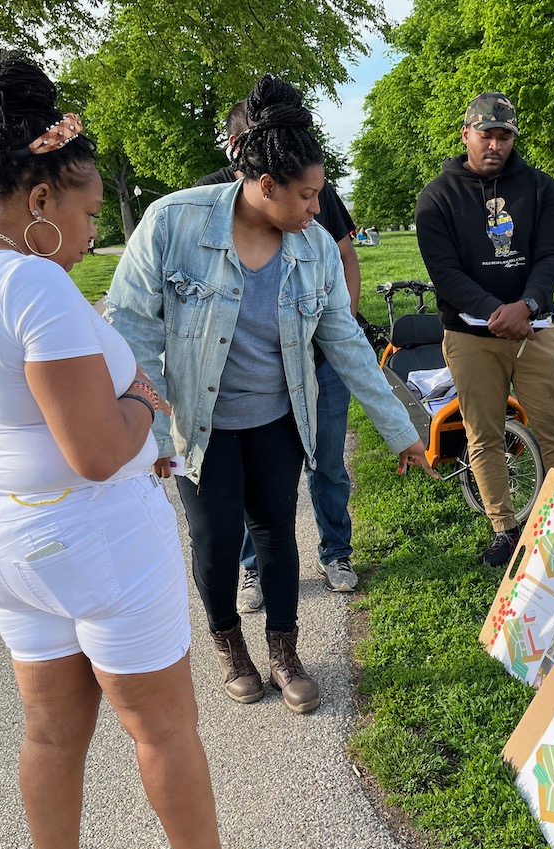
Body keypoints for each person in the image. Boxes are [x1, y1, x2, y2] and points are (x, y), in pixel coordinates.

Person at [0, 56, 279, 849]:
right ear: (40, 198)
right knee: (162, 726)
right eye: (89, 209)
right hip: (91, 533)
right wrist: (142, 397)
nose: (92, 230)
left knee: (49, 731)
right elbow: (100, 452)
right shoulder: (31, 284)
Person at [108, 74, 434, 715]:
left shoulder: (315, 250)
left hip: (277, 419)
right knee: (215, 541)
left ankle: (285, 653)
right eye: (308, 196)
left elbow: (346, 342)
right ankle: (230, 646)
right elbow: (132, 330)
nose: (317, 209)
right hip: (200, 426)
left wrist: (401, 429)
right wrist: (151, 433)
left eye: (320, 194)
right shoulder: (173, 223)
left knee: (278, 533)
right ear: (265, 185)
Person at [193, 100, 363, 608]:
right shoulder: (202, 201)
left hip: (318, 362)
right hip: (249, 381)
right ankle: (253, 570)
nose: (313, 206)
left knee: (326, 463)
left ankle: (336, 552)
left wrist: (337, 326)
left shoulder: (306, 185)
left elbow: (343, 254)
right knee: (255, 488)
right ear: (239, 151)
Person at [414, 91, 554, 566]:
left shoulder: (540, 187)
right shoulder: (437, 197)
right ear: (466, 133)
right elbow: (445, 273)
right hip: (470, 337)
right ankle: (504, 529)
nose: (495, 145)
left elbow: (552, 254)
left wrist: (526, 306)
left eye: (504, 136)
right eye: (486, 134)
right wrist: (496, 312)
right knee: (483, 434)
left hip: (536, 330)